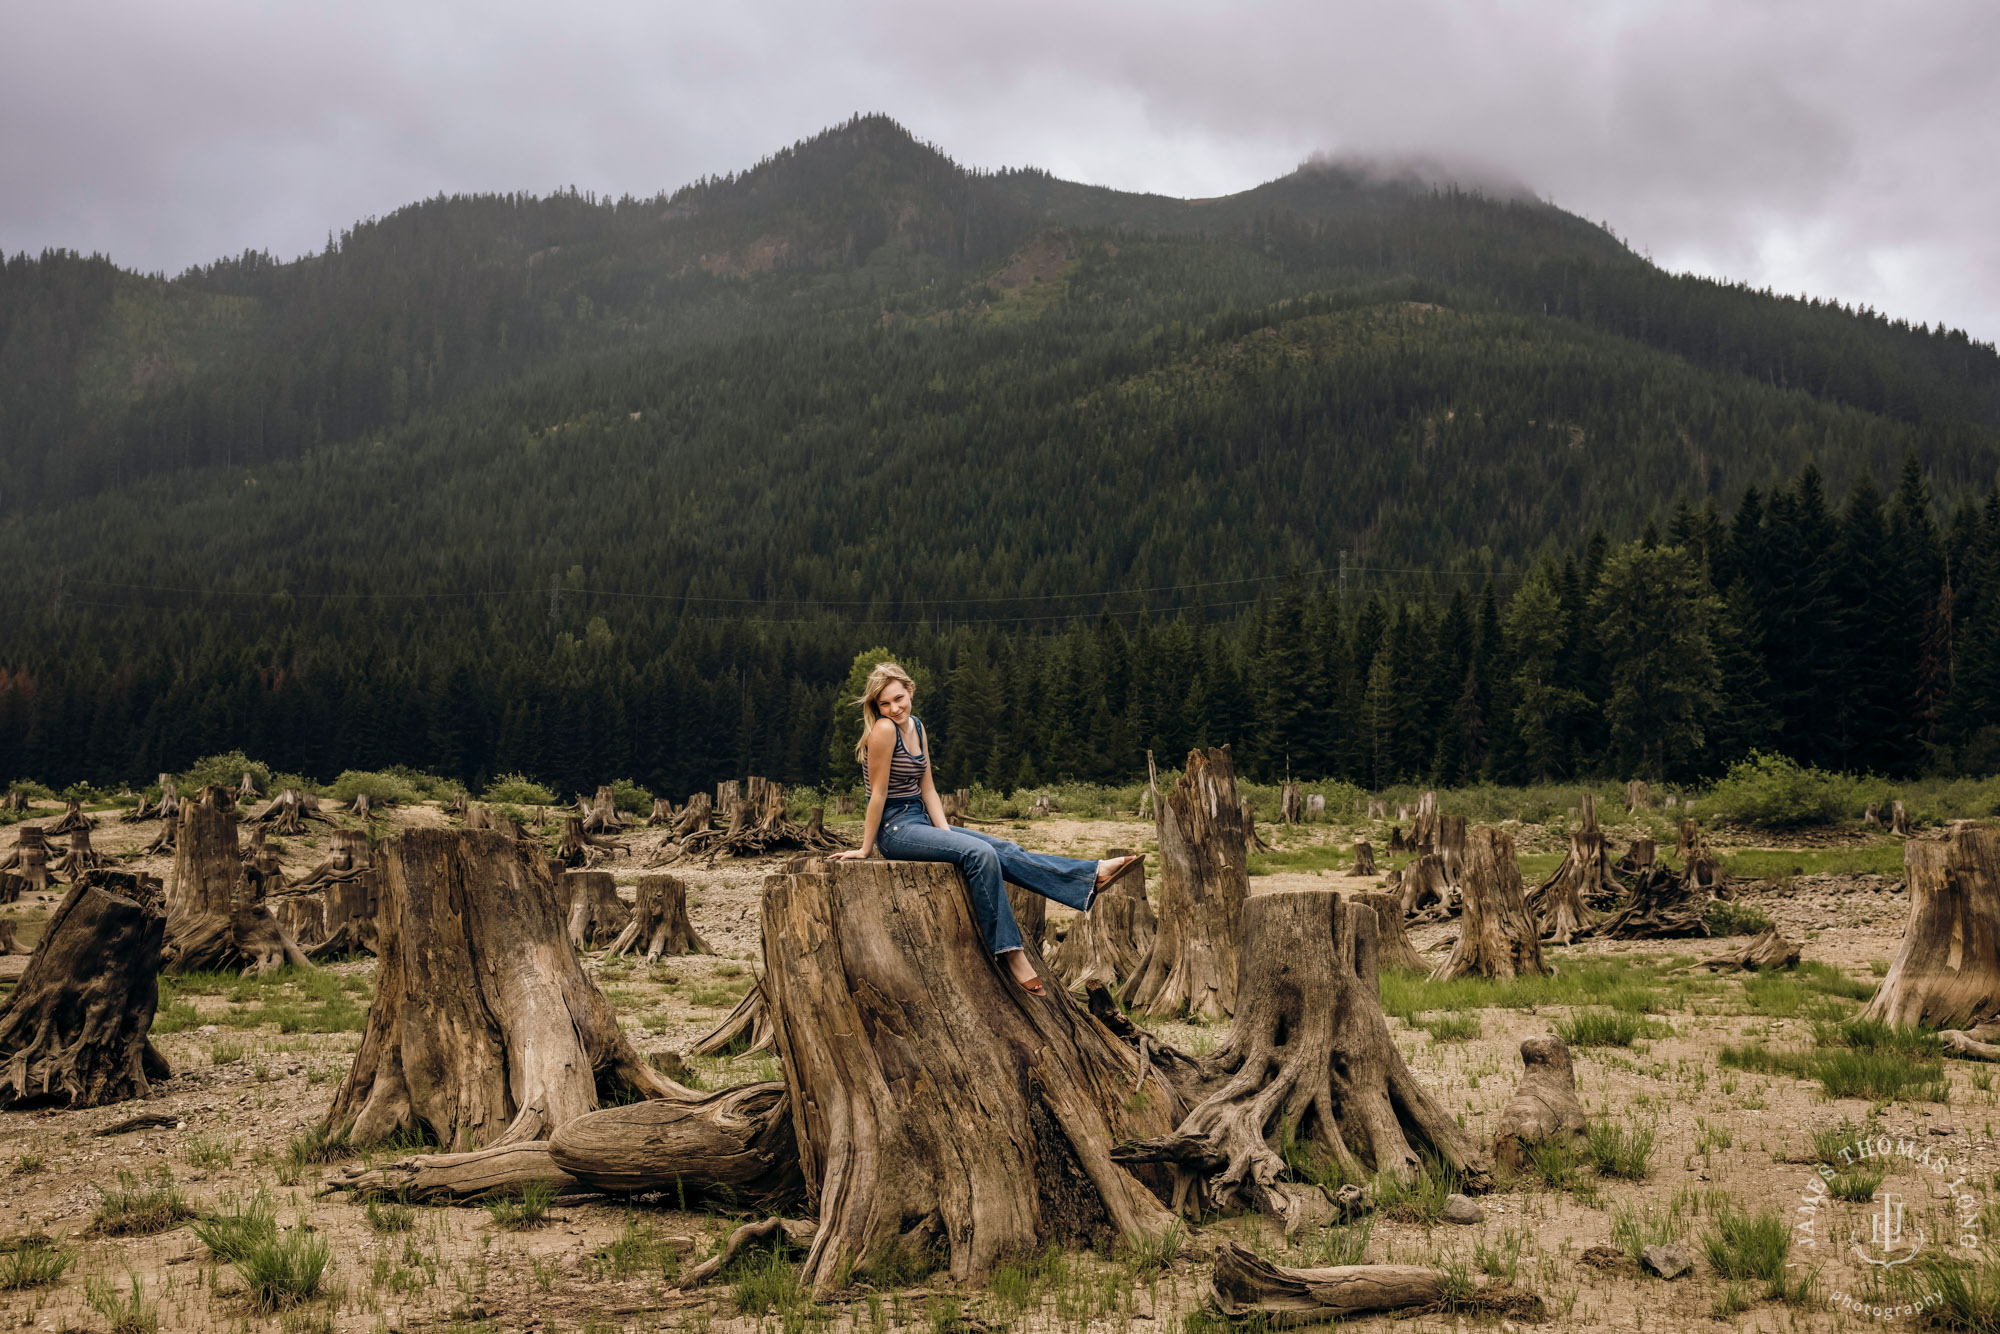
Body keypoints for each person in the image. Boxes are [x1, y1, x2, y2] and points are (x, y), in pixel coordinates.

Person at [828, 660, 1143, 993]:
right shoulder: (884, 730)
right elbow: (877, 794)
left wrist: (945, 834)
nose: (893, 708)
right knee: (979, 853)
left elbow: (928, 787)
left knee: (1000, 847)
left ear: (910, 690)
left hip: (919, 819)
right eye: (884, 704)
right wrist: (865, 849)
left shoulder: (916, 726)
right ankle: (1011, 951)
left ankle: (1090, 875)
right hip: (894, 829)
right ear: (876, 707)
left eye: (898, 698)